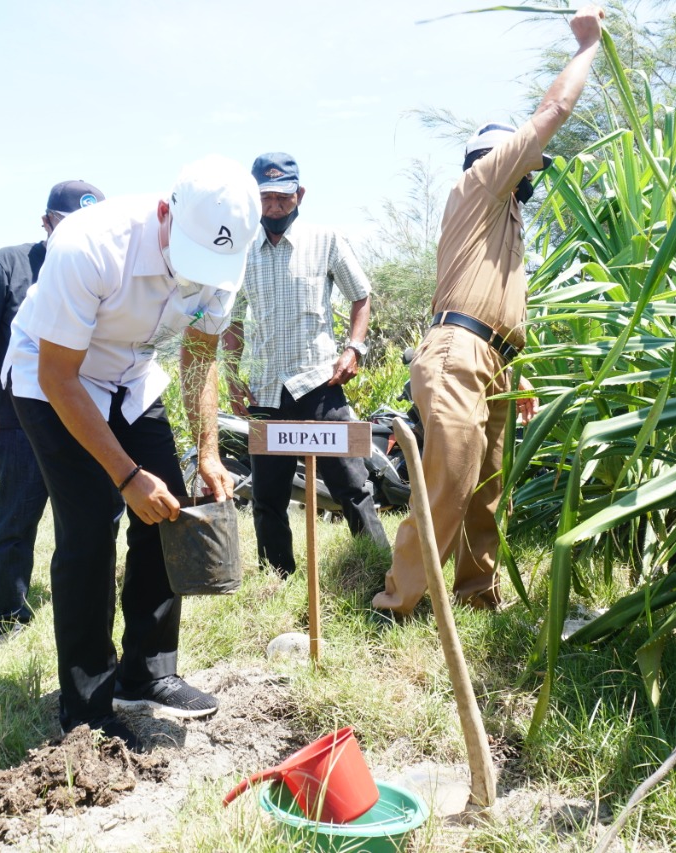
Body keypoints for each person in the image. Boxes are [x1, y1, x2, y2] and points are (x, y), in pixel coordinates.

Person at [4, 155, 259, 748]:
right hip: (53, 381)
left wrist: (208, 453)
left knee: (165, 516)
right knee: (91, 527)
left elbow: (199, 355)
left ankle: (147, 672)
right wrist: (124, 476)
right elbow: (60, 376)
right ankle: (87, 705)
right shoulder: (90, 244)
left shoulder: (227, 261)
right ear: (165, 212)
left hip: (133, 377)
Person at [373, 6, 605, 618]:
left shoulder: (506, 221)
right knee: (451, 480)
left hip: (491, 360)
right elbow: (553, 113)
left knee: (488, 489)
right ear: (497, 159)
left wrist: (512, 371)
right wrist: (585, 47)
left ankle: (478, 597)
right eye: (526, 162)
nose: (533, 173)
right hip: (458, 352)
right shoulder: (478, 186)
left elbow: (497, 305)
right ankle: (397, 602)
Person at [223, 153, 389, 578]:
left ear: (300, 194)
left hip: (319, 384)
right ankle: (277, 580)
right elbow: (234, 319)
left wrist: (354, 348)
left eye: (283, 197)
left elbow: (361, 294)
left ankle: (378, 570)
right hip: (265, 391)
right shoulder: (241, 252)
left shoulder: (325, 240)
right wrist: (231, 375)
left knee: (352, 486)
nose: (275, 207)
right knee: (267, 497)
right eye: (266, 199)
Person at [0, 179, 105, 641]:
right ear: (46, 223)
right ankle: (7, 617)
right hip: (22, 418)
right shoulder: (9, 263)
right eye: (67, 224)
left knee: (90, 518)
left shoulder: (105, 269)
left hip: (86, 417)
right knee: (16, 519)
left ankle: (87, 609)